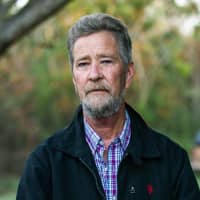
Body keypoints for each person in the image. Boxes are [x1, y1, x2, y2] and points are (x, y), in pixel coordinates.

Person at [16, 13, 200, 200]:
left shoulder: (172, 161)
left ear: (128, 74)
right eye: (83, 64)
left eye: (105, 61)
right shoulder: (44, 165)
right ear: (74, 80)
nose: (94, 74)